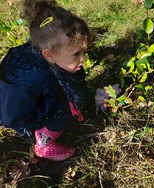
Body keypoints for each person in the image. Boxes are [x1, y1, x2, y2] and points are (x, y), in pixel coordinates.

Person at [0, 0, 92, 161]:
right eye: (76, 54)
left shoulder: (45, 53)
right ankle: (44, 143)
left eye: (83, 52)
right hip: (21, 117)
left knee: (73, 90)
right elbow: (12, 116)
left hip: (33, 96)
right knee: (68, 109)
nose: (83, 59)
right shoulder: (29, 81)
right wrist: (43, 115)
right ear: (48, 55)